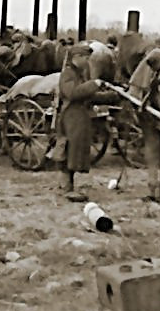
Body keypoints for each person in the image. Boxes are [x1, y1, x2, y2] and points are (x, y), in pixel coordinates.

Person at [50, 45, 118, 200]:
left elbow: (88, 96)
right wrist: (94, 84)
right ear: (77, 57)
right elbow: (73, 93)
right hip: (70, 116)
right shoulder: (67, 73)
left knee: (75, 151)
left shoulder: (79, 74)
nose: (87, 62)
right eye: (86, 58)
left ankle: (68, 186)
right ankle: (66, 187)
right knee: (68, 150)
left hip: (79, 116)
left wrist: (111, 96)